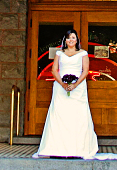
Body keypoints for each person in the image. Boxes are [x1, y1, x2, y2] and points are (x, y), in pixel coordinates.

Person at [35, 29, 98, 159]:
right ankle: (57, 148)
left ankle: (79, 149)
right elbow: (54, 70)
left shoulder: (83, 53)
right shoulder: (59, 53)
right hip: (60, 87)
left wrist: (75, 84)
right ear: (65, 40)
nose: (71, 40)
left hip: (78, 87)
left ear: (77, 40)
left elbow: (85, 71)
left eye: (73, 38)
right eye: (69, 38)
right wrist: (63, 84)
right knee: (59, 114)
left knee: (77, 115)